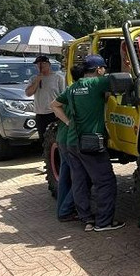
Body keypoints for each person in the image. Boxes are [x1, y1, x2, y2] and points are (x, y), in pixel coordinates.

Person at [51, 54, 124, 232]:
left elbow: (54, 105)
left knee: (80, 181)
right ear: (99, 69)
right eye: (103, 68)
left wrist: (68, 122)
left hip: (71, 142)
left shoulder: (73, 87)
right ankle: (104, 222)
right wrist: (124, 57)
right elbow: (123, 79)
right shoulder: (97, 83)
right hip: (90, 143)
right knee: (105, 181)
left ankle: (86, 219)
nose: (105, 70)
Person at [56, 64, 90, 222]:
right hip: (69, 138)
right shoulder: (81, 93)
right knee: (82, 178)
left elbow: (54, 105)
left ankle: (61, 210)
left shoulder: (69, 91)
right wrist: (70, 122)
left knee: (65, 177)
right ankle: (66, 210)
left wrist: (67, 122)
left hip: (62, 138)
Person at [25, 55, 65, 141]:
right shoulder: (33, 79)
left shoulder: (58, 78)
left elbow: (64, 95)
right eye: (38, 64)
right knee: (43, 139)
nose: (40, 66)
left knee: (55, 137)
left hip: (54, 113)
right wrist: (37, 81)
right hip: (40, 114)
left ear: (49, 64)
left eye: (43, 63)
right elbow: (28, 93)